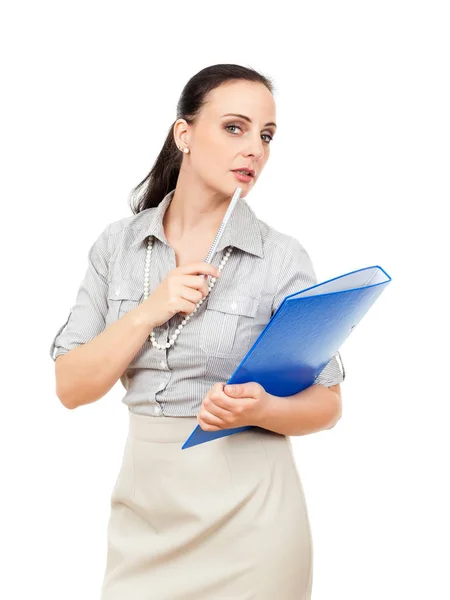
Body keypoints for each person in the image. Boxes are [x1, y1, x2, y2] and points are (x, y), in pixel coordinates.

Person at [50, 63, 345, 600]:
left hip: (253, 517)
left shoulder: (280, 258)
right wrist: (147, 310)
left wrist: (261, 411)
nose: (254, 148)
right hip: (144, 515)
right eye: (235, 127)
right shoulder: (116, 248)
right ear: (183, 133)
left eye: (266, 135)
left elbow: (327, 403)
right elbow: (71, 387)